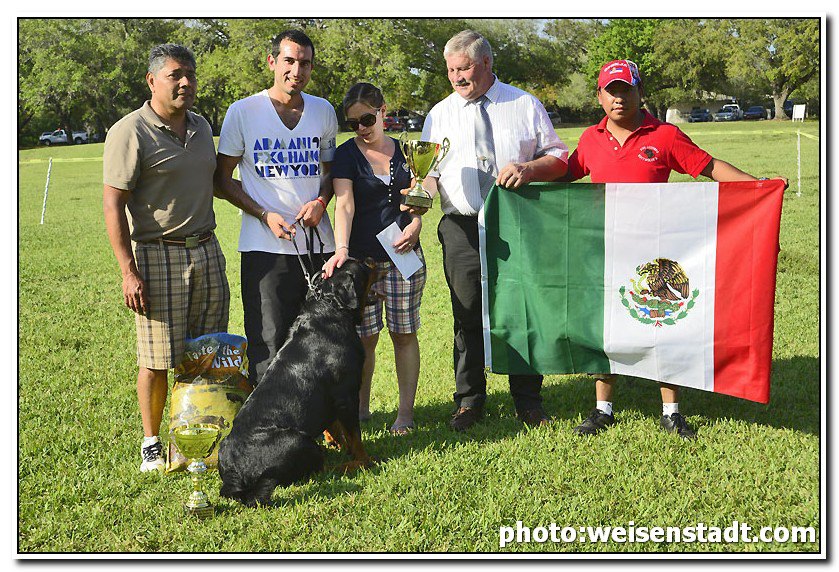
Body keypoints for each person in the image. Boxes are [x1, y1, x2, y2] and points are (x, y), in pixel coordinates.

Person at [564, 59, 786, 439]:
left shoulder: (664, 135)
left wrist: (760, 189)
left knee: (663, 325)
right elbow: (565, 175)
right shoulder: (589, 139)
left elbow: (709, 166)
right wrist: (526, 174)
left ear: (639, 92)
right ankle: (603, 409)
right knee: (609, 329)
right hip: (609, 251)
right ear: (600, 96)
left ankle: (671, 410)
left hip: (657, 250)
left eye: (626, 90)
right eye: (611, 91)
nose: (619, 98)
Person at [407, 30, 569, 431]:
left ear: (487, 64)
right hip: (460, 225)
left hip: (517, 221)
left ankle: (528, 400)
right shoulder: (439, 114)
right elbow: (429, 175)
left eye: (464, 69)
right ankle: (469, 401)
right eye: (450, 71)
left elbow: (560, 158)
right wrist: (417, 199)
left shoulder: (523, 104)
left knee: (521, 309)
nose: (457, 78)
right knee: (466, 314)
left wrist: (529, 169)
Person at [103, 44, 230, 472]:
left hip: (208, 250)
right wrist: (128, 271)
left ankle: (196, 434)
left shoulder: (201, 126)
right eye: (175, 74)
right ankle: (152, 443)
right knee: (156, 357)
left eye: (190, 74)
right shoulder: (130, 131)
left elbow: (218, 183)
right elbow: (112, 204)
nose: (185, 82)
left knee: (206, 351)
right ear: (152, 80)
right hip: (159, 255)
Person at [214, 29, 338, 386]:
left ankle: (321, 423)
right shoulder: (243, 112)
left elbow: (330, 173)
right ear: (272, 62)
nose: (296, 70)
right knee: (269, 344)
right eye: (289, 61)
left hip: (319, 246)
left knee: (321, 340)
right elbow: (221, 181)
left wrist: (320, 201)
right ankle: (270, 430)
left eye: (305, 63)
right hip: (264, 248)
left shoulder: (323, 111)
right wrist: (263, 215)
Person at [322, 83, 426, 436]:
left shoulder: (408, 151)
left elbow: (420, 198)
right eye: (354, 123)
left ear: (384, 111)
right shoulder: (346, 155)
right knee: (364, 338)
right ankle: (361, 410)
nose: (363, 128)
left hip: (403, 256)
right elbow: (345, 204)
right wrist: (341, 249)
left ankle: (405, 414)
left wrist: (416, 223)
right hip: (362, 263)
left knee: (403, 333)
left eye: (367, 118)